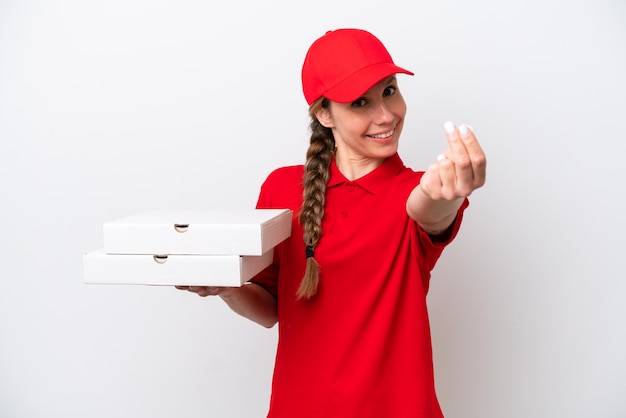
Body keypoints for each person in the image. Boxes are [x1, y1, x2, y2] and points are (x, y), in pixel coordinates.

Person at [177, 28, 486, 418]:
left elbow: (428, 208)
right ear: (324, 113)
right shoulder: (281, 189)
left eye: (390, 90)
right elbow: (271, 310)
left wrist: (451, 191)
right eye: (361, 102)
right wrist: (227, 288)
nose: (386, 115)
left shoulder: (413, 190)